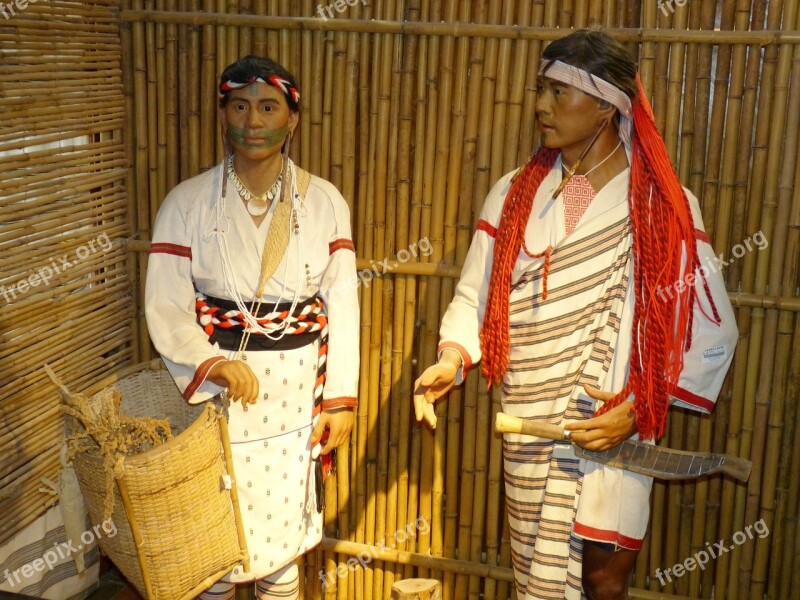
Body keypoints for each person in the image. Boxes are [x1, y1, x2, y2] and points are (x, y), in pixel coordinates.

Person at [413, 30, 737, 600]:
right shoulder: (514, 195)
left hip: (609, 425)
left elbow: (713, 331)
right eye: (541, 89)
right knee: (535, 574)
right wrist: (452, 357)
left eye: (560, 92)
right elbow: (476, 294)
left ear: (609, 104)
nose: (542, 105)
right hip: (530, 429)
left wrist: (637, 410)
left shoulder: (664, 206)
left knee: (604, 582)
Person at [145, 56, 359, 600]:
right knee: (214, 548)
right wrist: (211, 363)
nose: (253, 121)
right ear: (223, 115)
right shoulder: (186, 203)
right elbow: (167, 302)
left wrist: (340, 400)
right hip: (217, 399)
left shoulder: (325, 202)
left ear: (292, 119)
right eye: (239, 106)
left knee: (279, 549)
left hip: (293, 401)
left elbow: (342, 301)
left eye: (269, 107)